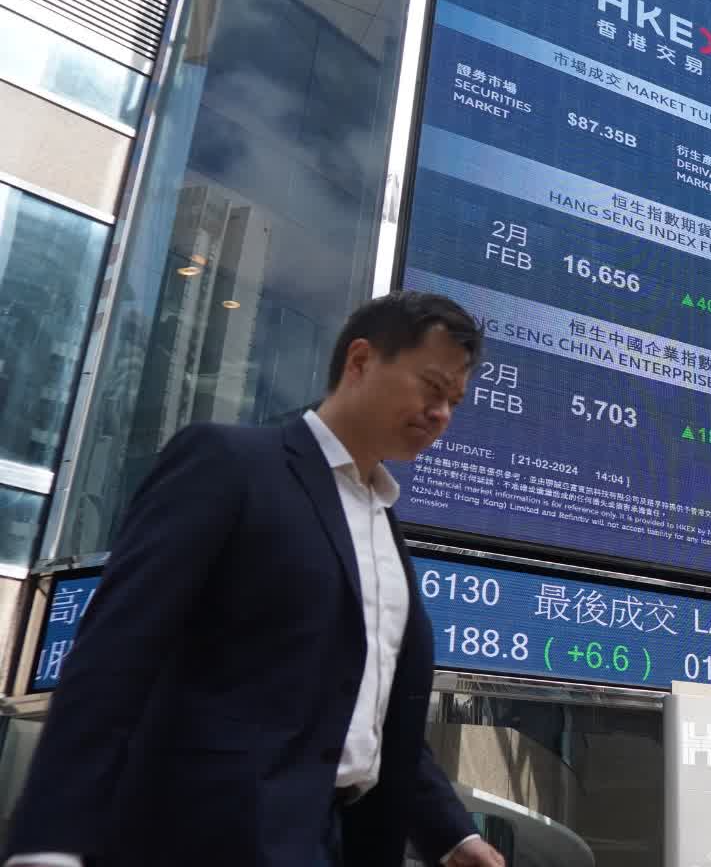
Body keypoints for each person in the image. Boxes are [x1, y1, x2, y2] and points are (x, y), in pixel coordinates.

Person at [4, 292, 504, 867]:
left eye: (454, 402)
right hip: (204, 836)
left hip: (331, 839)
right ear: (361, 360)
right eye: (432, 387)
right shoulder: (229, 464)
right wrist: (50, 842)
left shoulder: (382, 524)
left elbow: (367, 711)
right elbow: (115, 656)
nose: (441, 415)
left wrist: (453, 835)